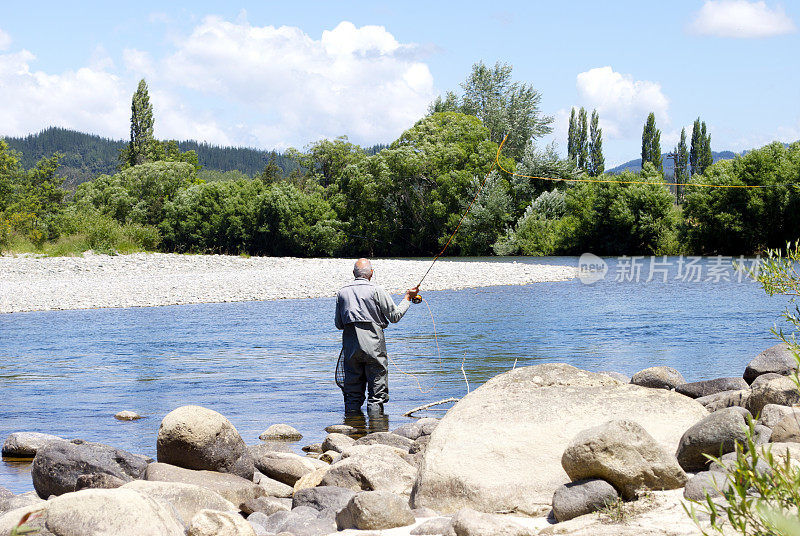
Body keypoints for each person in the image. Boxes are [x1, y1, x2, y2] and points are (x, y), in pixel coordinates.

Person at [335, 258, 418, 415]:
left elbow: (339, 324)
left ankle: (353, 430)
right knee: (376, 397)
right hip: (374, 349)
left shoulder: (342, 292)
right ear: (371, 273)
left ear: (353, 273)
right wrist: (408, 297)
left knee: (352, 396)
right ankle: (376, 432)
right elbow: (395, 316)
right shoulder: (376, 290)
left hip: (351, 350)